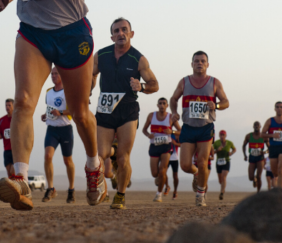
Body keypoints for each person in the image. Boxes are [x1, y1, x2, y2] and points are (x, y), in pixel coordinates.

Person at [0, 0, 103, 211]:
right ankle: (21, 180)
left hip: (71, 30)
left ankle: (93, 166)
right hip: (32, 32)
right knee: (23, 102)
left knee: (79, 112)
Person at [92, 18, 159, 209]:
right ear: (112, 36)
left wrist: (142, 86)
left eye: (124, 30)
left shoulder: (139, 59)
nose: (120, 33)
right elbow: (91, 74)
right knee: (101, 154)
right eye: (116, 31)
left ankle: (120, 195)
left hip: (128, 110)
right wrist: (88, 88)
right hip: (105, 110)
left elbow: (155, 84)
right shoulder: (101, 55)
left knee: (124, 157)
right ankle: (111, 152)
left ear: (131, 34)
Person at [170, 51, 229, 206]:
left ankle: (200, 194)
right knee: (185, 165)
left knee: (203, 162)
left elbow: (225, 102)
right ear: (192, 64)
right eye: (196, 61)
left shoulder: (215, 83)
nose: (200, 63)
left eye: (203, 61)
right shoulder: (184, 82)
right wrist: (175, 112)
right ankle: (196, 173)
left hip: (205, 128)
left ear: (207, 64)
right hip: (188, 128)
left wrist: (215, 105)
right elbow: (173, 98)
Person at [40, 67, 76, 204]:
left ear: (62, 75)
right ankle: (50, 188)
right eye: (52, 74)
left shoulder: (68, 90)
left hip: (65, 129)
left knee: (67, 161)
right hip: (52, 130)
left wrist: (60, 113)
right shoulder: (49, 92)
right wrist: (46, 115)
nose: (53, 76)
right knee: (48, 156)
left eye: (56, 74)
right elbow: (50, 108)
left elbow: (73, 110)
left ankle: (71, 190)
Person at [142, 98, 181, 202]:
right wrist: (148, 135)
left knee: (162, 170)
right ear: (157, 105)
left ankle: (159, 194)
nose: (162, 105)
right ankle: (161, 179)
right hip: (154, 145)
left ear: (167, 105)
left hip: (166, 146)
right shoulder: (151, 116)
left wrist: (171, 131)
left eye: (164, 103)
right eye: (160, 103)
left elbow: (181, 131)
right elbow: (144, 129)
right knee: (155, 173)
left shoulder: (171, 117)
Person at [261, 102, 282, 188]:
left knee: (281, 169)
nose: (279, 109)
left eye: (281, 107)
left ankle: (280, 191)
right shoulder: (270, 121)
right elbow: (262, 134)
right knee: (275, 172)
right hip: (273, 148)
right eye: (277, 107)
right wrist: (272, 135)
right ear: (275, 109)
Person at [243, 121, 269, 193]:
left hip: (260, 158)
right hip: (252, 157)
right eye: (255, 125)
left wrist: (265, 152)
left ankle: (258, 192)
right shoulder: (248, 136)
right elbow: (244, 145)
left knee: (259, 176)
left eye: (258, 125)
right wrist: (245, 155)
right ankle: (254, 180)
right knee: (251, 177)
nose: (256, 126)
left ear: (260, 127)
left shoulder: (264, 136)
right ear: (253, 127)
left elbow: (270, 148)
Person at [0, 99, 15, 177]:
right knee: (9, 173)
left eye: (9, 105)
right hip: (7, 149)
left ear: (13, 106)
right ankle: (11, 188)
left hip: (16, 149)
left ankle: (16, 187)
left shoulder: (17, 119)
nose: (7, 107)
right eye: (6, 105)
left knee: (13, 171)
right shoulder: (1, 120)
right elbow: (1, 135)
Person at [214, 130, 236, 200]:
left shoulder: (229, 143)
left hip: (226, 161)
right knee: (220, 180)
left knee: (224, 177)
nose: (222, 136)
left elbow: (234, 149)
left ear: (225, 136)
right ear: (219, 136)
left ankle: (222, 192)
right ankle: (223, 188)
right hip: (219, 162)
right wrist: (217, 150)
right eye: (221, 135)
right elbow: (211, 151)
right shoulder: (216, 143)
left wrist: (231, 153)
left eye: (223, 135)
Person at [165, 133, 181, 200]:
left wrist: (175, 143)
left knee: (175, 176)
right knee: (163, 173)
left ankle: (175, 191)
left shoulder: (175, 134)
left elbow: (181, 144)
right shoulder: (163, 133)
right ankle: (167, 186)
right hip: (165, 157)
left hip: (174, 158)